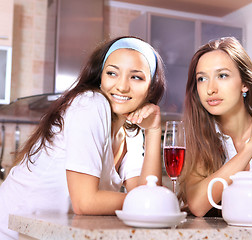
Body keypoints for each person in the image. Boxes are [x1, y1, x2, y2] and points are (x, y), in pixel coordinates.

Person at [0, 36, 166, 239]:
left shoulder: (131, 130)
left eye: (136, 77)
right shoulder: (90, 103)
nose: (122, 86)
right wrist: (143, 202)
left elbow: (148, 192)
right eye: (112, 73)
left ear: (151, 88)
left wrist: (153, 131)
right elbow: (85, 202)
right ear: (100, 77)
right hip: (13, 232)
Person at [178, 37, 252, 217]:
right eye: (202, 79)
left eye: (222, 75)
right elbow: (197, 205)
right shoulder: (200, 133)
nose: (210, 89)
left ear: (245, 83)